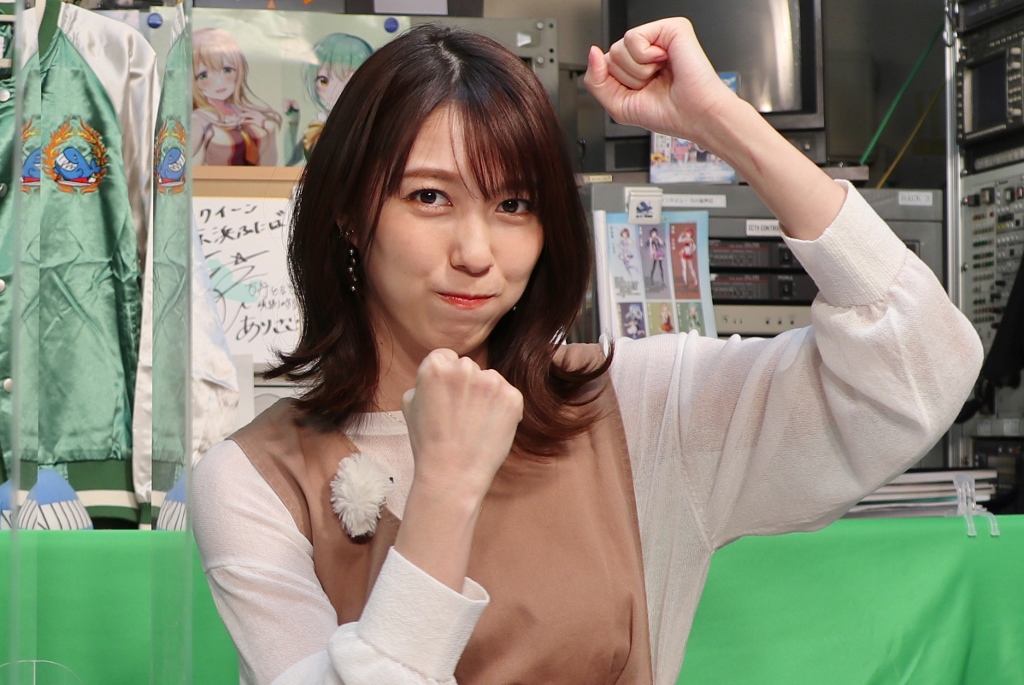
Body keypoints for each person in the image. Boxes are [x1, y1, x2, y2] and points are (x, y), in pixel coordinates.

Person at [192, 19, 982, 685]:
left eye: (514, 204)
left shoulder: (629, 404)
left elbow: (920, 368)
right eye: (429, 196)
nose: (476, 252)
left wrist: (721, 122)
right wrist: (445, 489)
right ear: (347, 211)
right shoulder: (254, 480)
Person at [192, 28, 282, 166]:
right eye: (204, 75)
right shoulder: (198, 121)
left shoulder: (248, 114)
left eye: (227, 70)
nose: (219, 82)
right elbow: (186, 172)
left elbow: (269, 168)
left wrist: (269, 129)